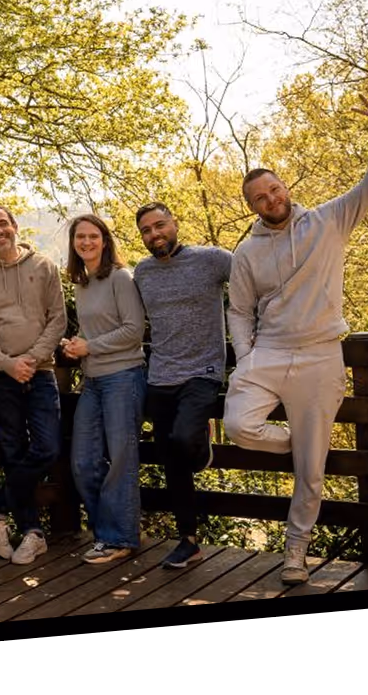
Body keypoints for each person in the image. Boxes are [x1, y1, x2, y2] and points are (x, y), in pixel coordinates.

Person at [224, 97, 368, 584]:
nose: (270, 199)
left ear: (284, 188)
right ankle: (303, 444)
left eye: (274, 189)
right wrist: (246, 357)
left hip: (322, 355)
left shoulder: (328, 221)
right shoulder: (246, 253)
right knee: (238, 425)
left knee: (311, 475)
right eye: (260, 197)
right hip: (269, 355)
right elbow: (237, 310)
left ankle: (295, 551)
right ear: (251, 206)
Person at [0, 206, 66, 565]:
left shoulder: (45, 266)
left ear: (15, 226)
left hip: (40, 372)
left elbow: (58, 319)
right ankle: (33, 533)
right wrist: (7, 364)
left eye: (3, 224)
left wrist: (32, 360)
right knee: (13, 454)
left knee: (48, 448)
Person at [132, 204, 232, 569]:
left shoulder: (213, 260)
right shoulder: (141, 272)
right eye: (146, 230)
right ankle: (188, 540)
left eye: (160, 225)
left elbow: (255, 281)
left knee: (181, 440)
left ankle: (199, 439)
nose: (155, 234)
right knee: (170, 461)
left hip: (202, 371)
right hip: (160, 375)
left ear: (174, 223)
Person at [62, 214, 147, 564]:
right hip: (93, 380)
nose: (86, 242)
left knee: (121, 460)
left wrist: (89, 346)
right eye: (80, 237)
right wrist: (76, 347)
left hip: (123, 377)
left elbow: (134, 329)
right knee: (82, 462)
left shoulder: (119, 277)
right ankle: (105, 534)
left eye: (92, 236)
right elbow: (95, 334)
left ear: (105, 240)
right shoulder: (81, 282)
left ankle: (120, 537)